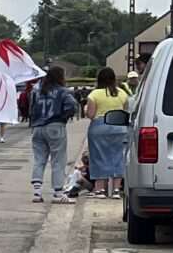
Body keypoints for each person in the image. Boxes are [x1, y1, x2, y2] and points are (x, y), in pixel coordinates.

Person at [28, 66, 81, 201]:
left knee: (39, 159)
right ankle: (58, 192)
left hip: (38, 127)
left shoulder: (37, 91)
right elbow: (72, 106)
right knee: (58, 159)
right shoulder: (63, 91)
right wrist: (64, 117)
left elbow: (31, 108)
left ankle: (37, 191)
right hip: (55, 125)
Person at [83, 66, 132, 199]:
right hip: (119, 128)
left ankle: (100, 189)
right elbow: (125, 112)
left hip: (99, 128)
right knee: (118, 157)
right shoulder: (122, 94)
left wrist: (85, 109)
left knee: (98, 157)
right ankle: (116, 189)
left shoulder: (94, 94)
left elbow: (91, 114)